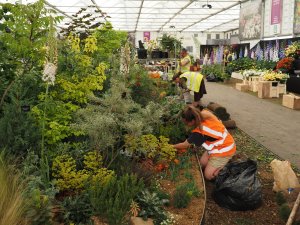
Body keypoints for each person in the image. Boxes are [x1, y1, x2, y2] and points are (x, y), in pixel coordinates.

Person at [172, 106, 236, 180]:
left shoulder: (200, 132)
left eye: (186, 122)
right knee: (201, 164)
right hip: (217, 145)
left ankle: (225, 166)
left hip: (225, 149)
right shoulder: (203, 114)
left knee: (208, 176)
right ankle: (218, 163)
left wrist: (170, 146)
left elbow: (185, 145)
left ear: (192, 121)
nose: (185, 125)